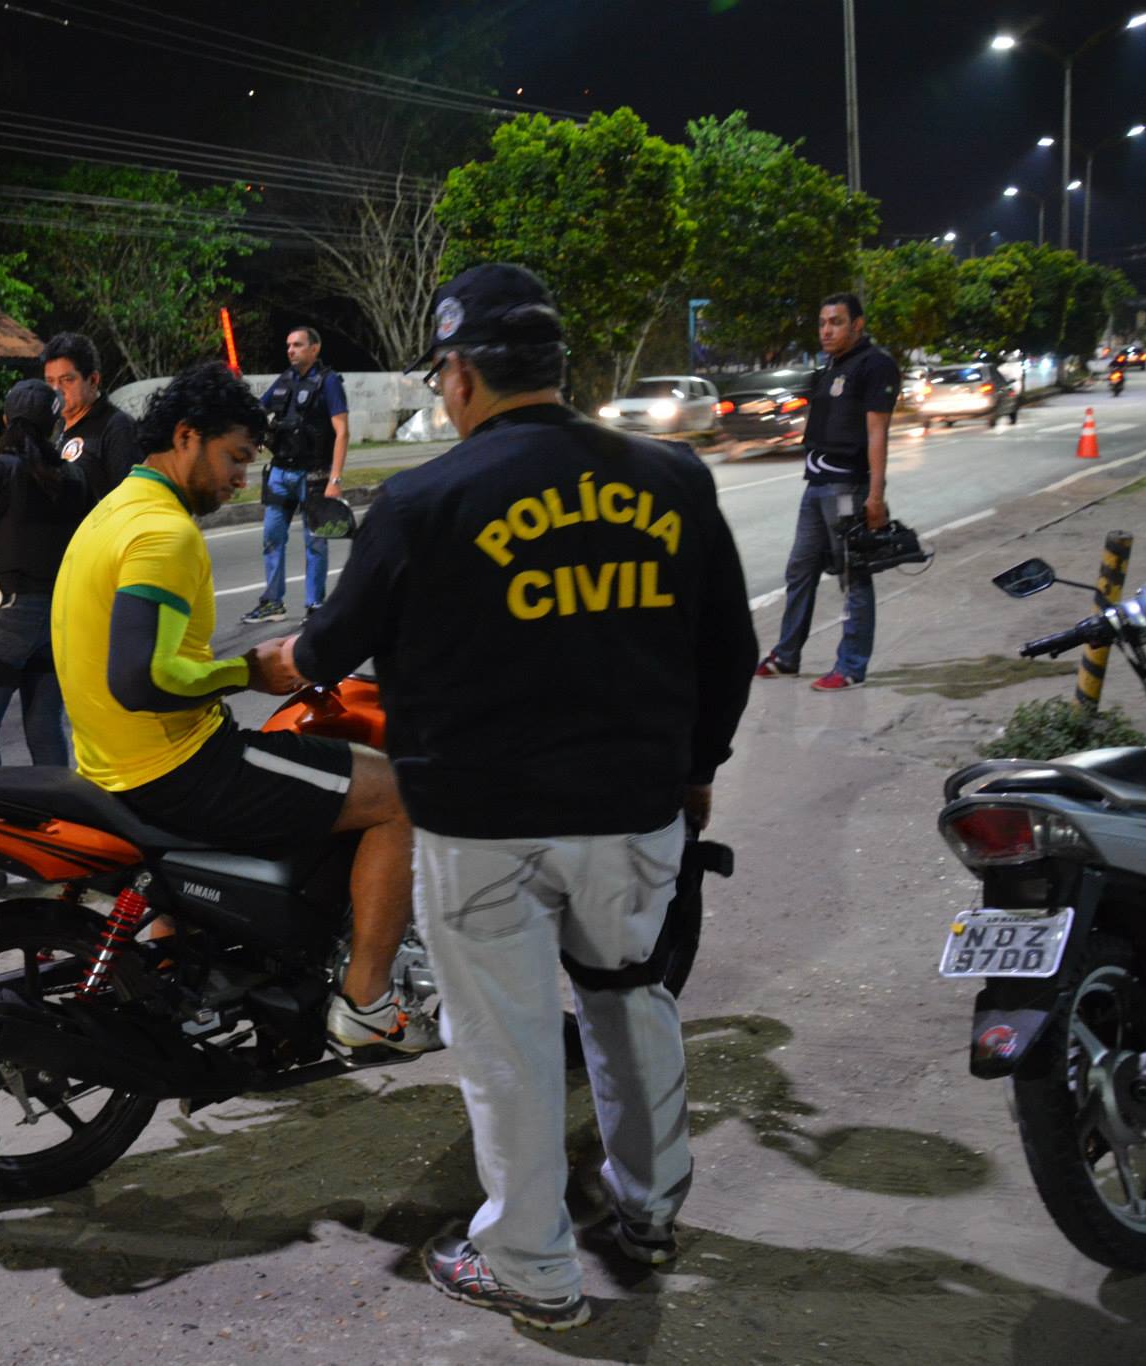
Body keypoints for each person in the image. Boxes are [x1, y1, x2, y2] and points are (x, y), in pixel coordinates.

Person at [279, 264, 755, 1330]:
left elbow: (331, 644)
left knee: (508, 1043)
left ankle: (533, 1265)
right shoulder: (671, 479)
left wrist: (277, 663)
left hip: (482, 823)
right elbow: (728, 645)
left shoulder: (423, 499)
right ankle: (647, 1212)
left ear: (458, 375)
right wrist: (697, 770)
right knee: (629, 997)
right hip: (633, 808)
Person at [51, 359, 441, 1058]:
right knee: (400, 798)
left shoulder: (112, 512)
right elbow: (142, 678)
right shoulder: (163, 533)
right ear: (186, 436)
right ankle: (367, 1003)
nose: (241, 479)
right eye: (234, 458)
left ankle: (186, 977)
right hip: (179, 769)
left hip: (109, 765)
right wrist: (248, 672)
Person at [754, 293, 900, 692]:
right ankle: (786, 656)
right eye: (822, 323)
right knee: (800, 569)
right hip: (816, 485)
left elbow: (877, 432)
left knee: (854, 576)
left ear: (858, 324)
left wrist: (875, 495)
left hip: (846, 486)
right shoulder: (831, 367)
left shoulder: (876, 365)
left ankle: (851, 666)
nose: (826, 331)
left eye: (836, 322)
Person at [0, 380, 90, 766]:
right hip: (59, 615)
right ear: (54, 426)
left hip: (5, 614)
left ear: (7, 420)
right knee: (45, 729)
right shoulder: (74, 479)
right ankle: (56, 802)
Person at [243, 326, 349, 624]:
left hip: (314, 474)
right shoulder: (284, 380)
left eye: (298, 345)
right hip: (280, 472)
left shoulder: (329, 382)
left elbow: (342, 432)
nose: (290, 350)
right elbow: (257, 411)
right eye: (289, 345)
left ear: (315, 348)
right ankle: (272, 602)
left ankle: (315, 605)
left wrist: (335, 479)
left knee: (315, 542)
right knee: (271, 538)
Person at [42, 332, 143, 505]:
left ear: (93, 380)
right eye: (50, 381)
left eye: (67, 380)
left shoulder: (117, 426)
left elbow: (130, 498)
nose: (56, 389)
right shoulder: (52, 427)